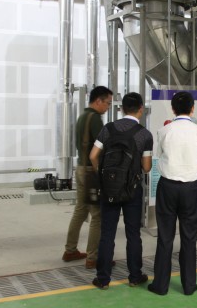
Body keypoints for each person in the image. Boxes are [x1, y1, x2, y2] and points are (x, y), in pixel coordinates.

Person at [88, 92, 153, 290]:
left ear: (122, 108)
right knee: (133, 233)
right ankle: (135, 276)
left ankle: (103, 279)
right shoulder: (144, 134)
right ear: (141, 109)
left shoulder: (108, 129)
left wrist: (104, 175)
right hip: (132, 190)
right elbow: (147, 167)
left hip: (109, 188)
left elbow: (93, 155)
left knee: (107, 233)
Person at [148, 92, 197, 296]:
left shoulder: (164, 130)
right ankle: (189, 285)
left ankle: (160, 285)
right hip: (191, 187)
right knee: (189, 237)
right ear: (192, 109)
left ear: (173, 109)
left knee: (165, 236)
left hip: (168, 186)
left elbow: (157, 156)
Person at [62, 86, 113, 269]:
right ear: (98, 101)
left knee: (80, 210)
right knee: (97, 215)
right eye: (107, 103)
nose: (108, 107)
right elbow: (101, 147)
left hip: (80, 168)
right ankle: (93, 257)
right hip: (92, 171)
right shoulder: (95, 119)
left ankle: (70, 250)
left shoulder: (82, 116)